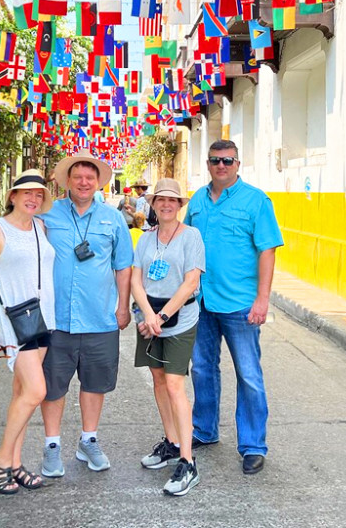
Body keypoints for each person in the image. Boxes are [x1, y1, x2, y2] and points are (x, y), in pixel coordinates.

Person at [0, 151, 133, 477]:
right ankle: (51, 445)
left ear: (99, 182)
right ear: (67, 182)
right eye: (78, 177)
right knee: (51, 385)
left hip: (100, 315)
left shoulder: (113, 218)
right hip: (53, 319)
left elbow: (124, 266)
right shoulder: (48, 215)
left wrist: (122, 306)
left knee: (95, 382)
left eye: (90, 177)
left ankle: (88, 440)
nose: (84, 182)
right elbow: (14, 227)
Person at [184, 140, 284, 476]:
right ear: (208, 164)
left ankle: (253, 445)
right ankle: (204, 430)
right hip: (201, 301)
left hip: (240, 304)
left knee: (249, 375)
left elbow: (267, 250)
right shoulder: (197, 200)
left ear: (238, 163)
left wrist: (262, 299)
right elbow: (186, 243)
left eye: (227, 160)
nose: (221, 166)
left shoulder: (256, 201)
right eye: (215, 161)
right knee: (201, 369)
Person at [0, 169, 56, 495]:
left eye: (38, 194)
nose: (33, 198)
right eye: (27, 193)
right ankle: (1, 459)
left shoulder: (41, 226)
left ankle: (16, 463)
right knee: (37, 392)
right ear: (12, 196)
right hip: (13, 322)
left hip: (43, 319)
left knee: (22, 394)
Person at [131, 179, 204, 496]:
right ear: (153, 204)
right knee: (158, 379)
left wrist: (161, 317)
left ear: (180, 205)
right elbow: (136, 279)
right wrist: (148, 314)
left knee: (175, 384)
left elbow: (191, 282)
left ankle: (188, 462)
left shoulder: (191, 237)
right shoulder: (146, 240)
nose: (166, 205)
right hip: (149, 319)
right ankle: (172, 442)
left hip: (180, 318)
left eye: (172, 201)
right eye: (161, 200)